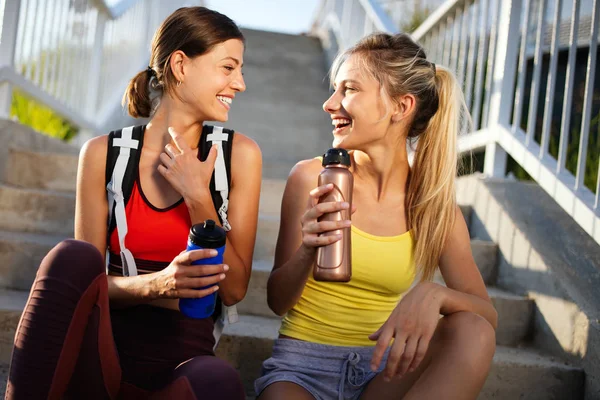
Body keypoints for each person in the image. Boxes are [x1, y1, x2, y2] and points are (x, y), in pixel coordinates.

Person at [6, 6, 261, 400]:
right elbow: (84, 285)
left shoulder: (239, 156)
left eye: (239, 70)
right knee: (70, 257)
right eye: (228, 68)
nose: (240, 83)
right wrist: (155, 285)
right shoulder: (101, 154)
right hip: (99, 352)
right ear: (181, 64)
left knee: (220, 381)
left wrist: (198, 197)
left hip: (179, 368)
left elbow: (235, 290)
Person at [255, 33, 497, 400]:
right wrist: (307, 249)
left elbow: (487, 317)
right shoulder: (310, 177)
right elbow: (277, 301)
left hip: (385, 370)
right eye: (335, 89)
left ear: (401, 106)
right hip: (303, 368)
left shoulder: (431, 205)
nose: (329, 103)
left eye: (348, 89)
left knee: (473, 332)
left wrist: (435, 295)